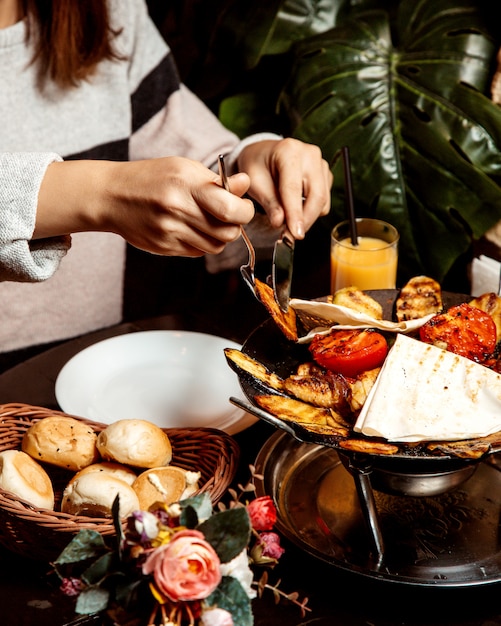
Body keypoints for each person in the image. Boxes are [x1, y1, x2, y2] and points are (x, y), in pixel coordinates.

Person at [0, 0, 332, 359]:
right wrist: (100, 195)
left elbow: (197, 163)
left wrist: (255, 176)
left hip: (107, 372)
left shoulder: (106, 11)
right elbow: (128, 192)